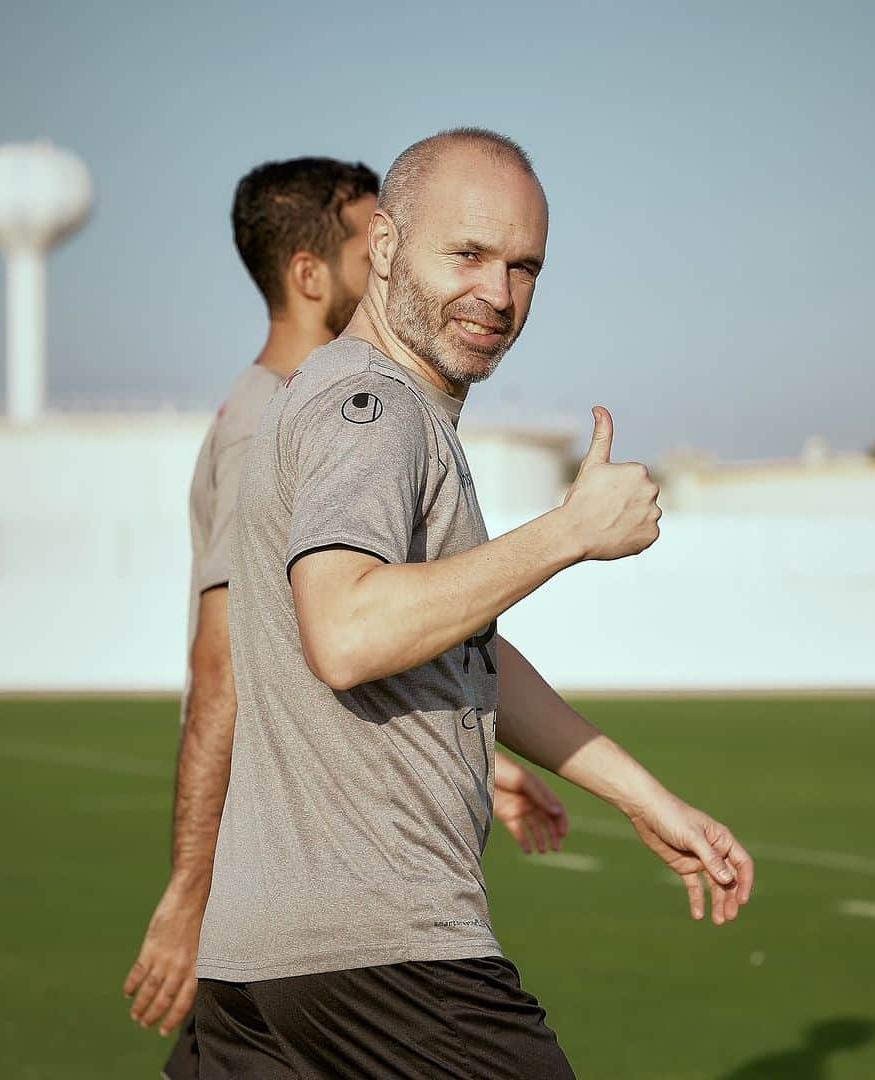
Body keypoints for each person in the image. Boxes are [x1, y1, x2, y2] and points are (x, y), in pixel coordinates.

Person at [195, 128, 754, 1079]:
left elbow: (460, 649)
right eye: (467, 254)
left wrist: (640, 795)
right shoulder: (372, 409)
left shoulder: (343, 400)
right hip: (390, 958)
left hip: (256, 974)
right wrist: (566, 533)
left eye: (523, 265)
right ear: (381, 246)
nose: (496, 294)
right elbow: (349, 630)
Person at [121, 156, 570, 1078]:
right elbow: (237, 668)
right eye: (374, 241)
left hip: (282, 935)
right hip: (364, 927)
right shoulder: (337, 412)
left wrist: (471, 739)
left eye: (522, 265)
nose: (495, 290)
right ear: (313, 272)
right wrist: (191, 886)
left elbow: (349, 642)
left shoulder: (313, 405)